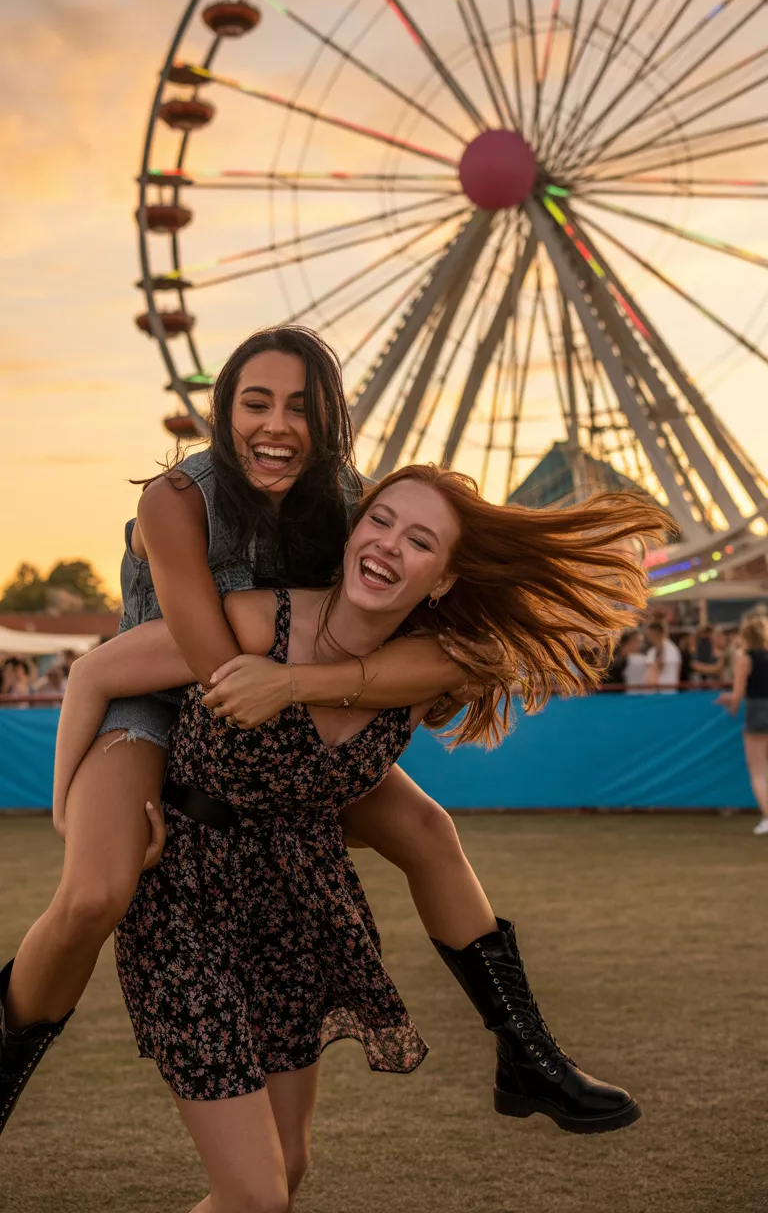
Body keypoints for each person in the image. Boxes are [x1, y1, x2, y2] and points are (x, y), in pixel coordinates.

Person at [0, 327, 660, 1140]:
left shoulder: (351, 502)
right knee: (97, 890)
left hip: (281, 697)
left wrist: (306, 682)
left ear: (329, 422)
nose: (276, 424)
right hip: (168, 692)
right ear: (222, 411)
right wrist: (70, 809)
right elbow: (212, 676)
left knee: (426, 826)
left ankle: (526, 1052)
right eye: (255, 403)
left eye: (300, 407)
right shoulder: (176, 499)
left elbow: (454, 648)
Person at [717, 611, 768, 836]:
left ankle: (767, 817)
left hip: (757, 711)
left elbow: (738, 693)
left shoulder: (744, 657)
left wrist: (730, 702)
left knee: (758, 770)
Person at [643, 620, 681, 692]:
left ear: (656, 633)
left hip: (667, 692)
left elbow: (676, 670)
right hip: (654, 692)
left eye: (650, 634)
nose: (648, 637)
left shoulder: (672, 650)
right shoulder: (652, 651)